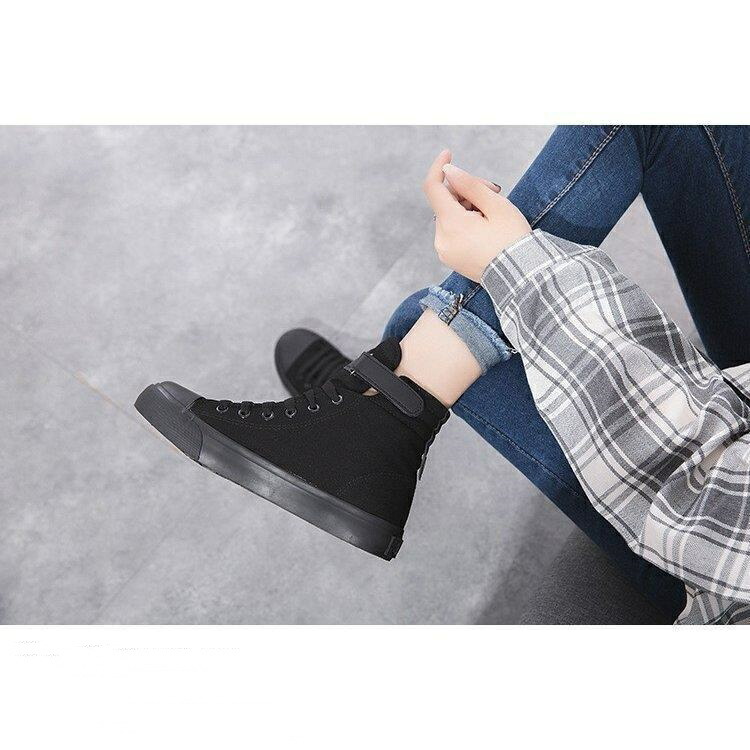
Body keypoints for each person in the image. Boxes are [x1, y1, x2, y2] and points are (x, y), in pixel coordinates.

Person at [135, 126, 750, 625]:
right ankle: (374, 411)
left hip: (711, 559)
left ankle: (375, 410)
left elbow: (709, 507)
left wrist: (515, 265)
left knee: (431, 336)